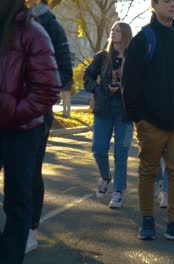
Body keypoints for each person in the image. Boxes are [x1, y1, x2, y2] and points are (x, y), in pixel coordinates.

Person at [122, 0, 174, 242]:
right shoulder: (144, 39)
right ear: (154, 4)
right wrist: (139, 119)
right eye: (166, 1)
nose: (172, 5)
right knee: (148, 171)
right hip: (150, 123)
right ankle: (147, 220)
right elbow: (130, 82)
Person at [0, 1, 61, 262]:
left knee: (17, 200)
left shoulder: (33, 33)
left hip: (22, 131)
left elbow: (48, 89)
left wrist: (13, 111)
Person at [25, 0, 74, 254]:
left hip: (34, 114)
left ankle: (31, 230)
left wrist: (34, 100)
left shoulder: (51, 25)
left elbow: (65, 72)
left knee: (31, 172)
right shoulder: (7, 16)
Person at [84, 22, 134, 209]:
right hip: (104, 108)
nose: (113, 33)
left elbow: (141, 82)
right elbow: (87, 76)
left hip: (125, 111)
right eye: (112, 30)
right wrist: (98, 90)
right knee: (98, 149)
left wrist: (124, 88)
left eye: (118, 31)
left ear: (126, 35)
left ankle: (118, 191)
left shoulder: (133, 58)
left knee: (121, 154)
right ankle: (105, 177)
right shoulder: (102, 57)